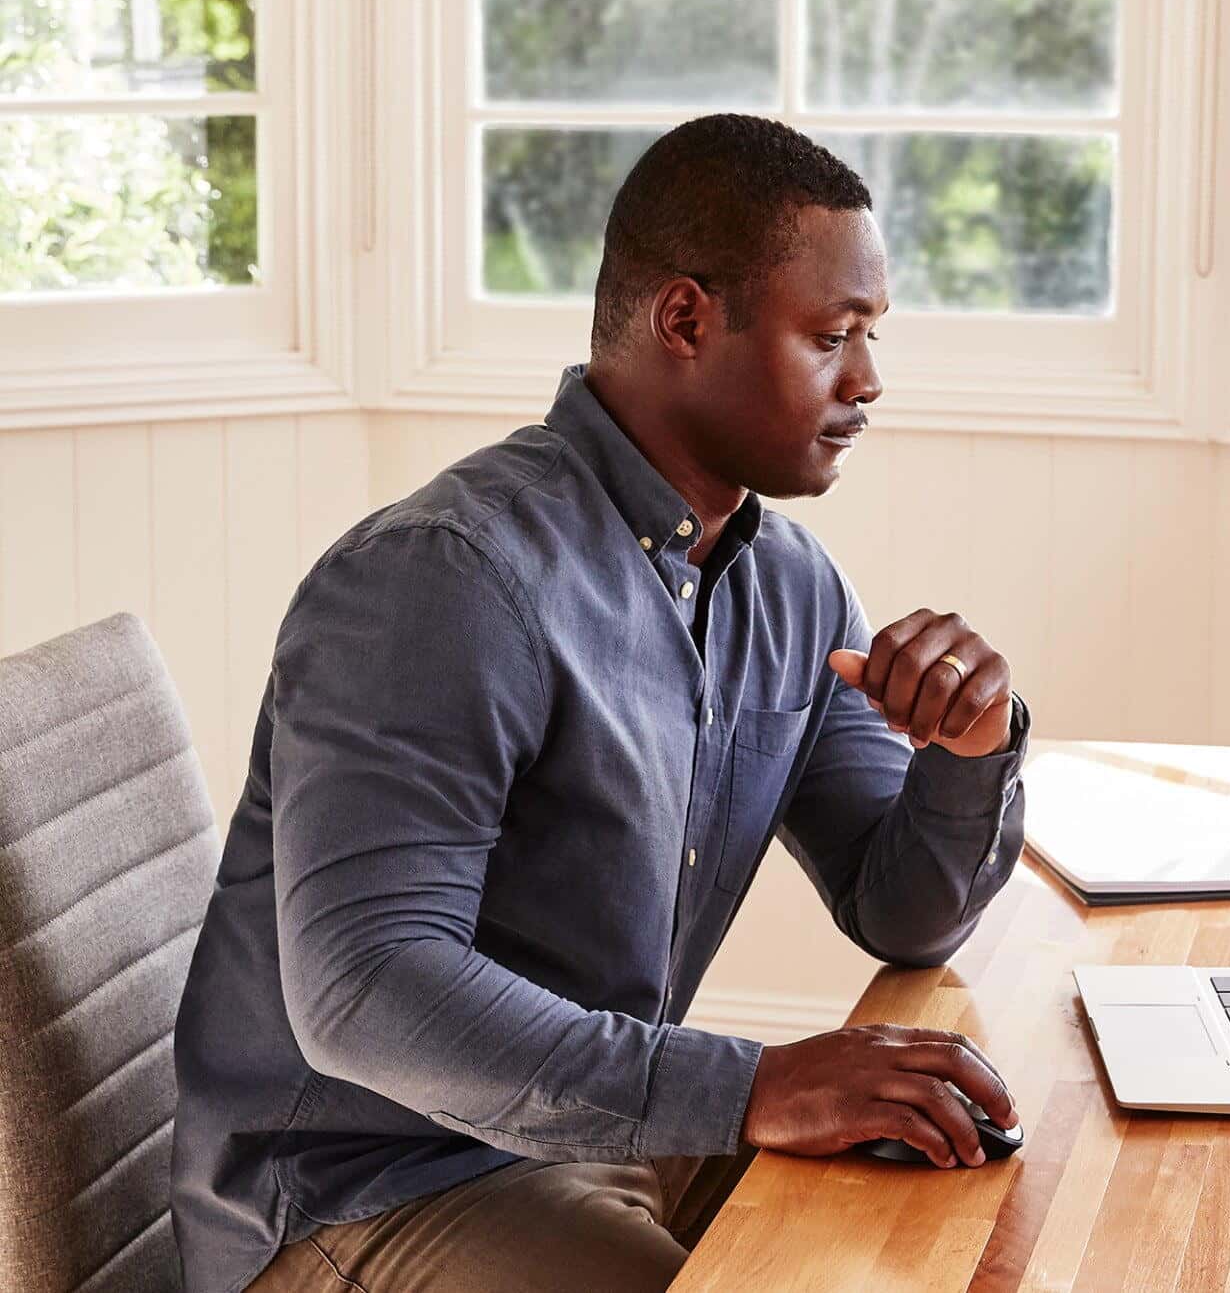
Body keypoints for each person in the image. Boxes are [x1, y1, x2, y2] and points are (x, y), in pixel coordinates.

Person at [170, 113, 1030, 1293]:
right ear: (684, 320)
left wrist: (966, 752)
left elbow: (902, 914)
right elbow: (367, 990)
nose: (868, 382)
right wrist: (751, 1087)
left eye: (870, 334)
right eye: (832, 336)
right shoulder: (440, 577)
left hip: (593, 1140)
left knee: (967, 1226)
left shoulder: (786, 587)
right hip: (362, 1195)